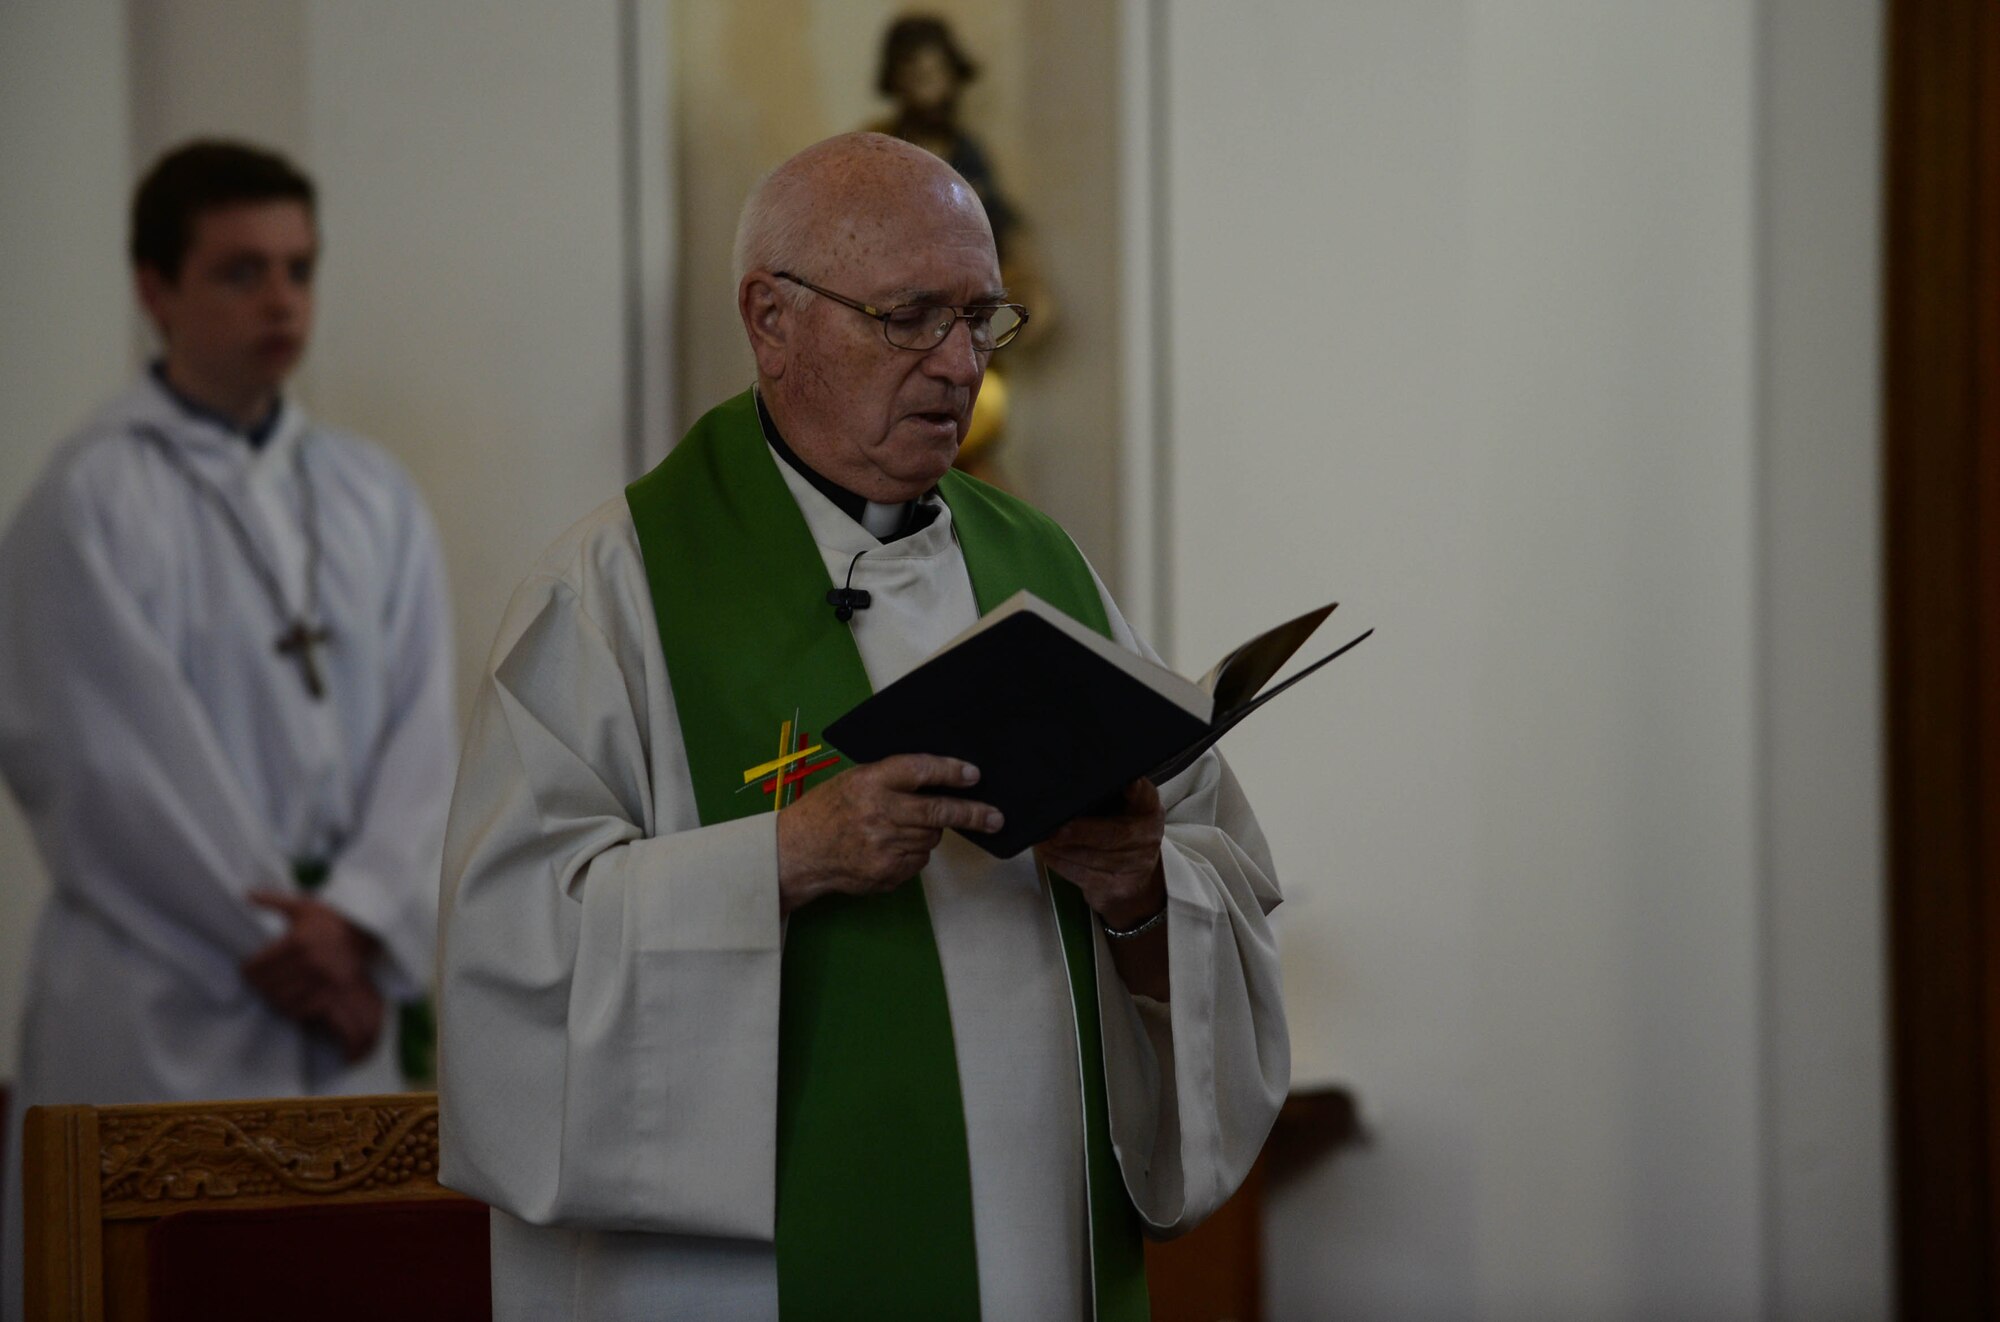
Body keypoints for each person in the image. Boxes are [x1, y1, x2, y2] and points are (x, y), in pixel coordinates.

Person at [436, 131, 1287, 1320]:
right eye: (909, 317)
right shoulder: (609, 591)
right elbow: (507, 963)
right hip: (746, 1277)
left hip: (1028, 1254)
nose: (958, 365)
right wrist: (783, 858)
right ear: (769, 320)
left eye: (982, 318)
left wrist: (1141, 886)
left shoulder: (1045, 573)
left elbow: (1215, 877)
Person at [0, 140, 454, 1320]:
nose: (281, 300)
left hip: (338, 997)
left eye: (299, 268)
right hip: (166, 1000)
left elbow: (425, 734)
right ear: (154, 287)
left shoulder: (370, 493)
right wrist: (299, 951)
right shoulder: (86, 499)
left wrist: (356, 917)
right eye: (241, 270)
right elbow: (104, 769)